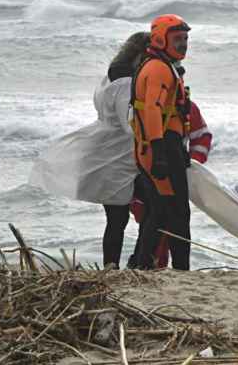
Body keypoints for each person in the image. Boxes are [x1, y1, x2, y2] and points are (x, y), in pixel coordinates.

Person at [29, 31, 149, 269]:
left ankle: (114, 266)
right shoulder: (126, 82)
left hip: (104, 150)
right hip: (119, 156)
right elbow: (129, 126)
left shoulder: (109, 77)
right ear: (142, 54)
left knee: (117, 218)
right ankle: (134, 263)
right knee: (147, 210)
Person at [130, 14, 193, 270]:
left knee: (161, 212)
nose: (184, 44)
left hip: (165, 145)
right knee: (175, 213)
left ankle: (142, 264)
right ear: (160, 39)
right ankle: (179, 270)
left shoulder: (163, 66)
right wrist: (160, 153)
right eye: (178, 39)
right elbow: (153, 110)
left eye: (186, 39)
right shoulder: (158, 69)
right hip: (160, 147)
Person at [130, 94, 213, 269]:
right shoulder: (142, 108)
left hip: (173, 173)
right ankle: (147, 265)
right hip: (144, 176)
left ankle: (166, 268)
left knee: (169, 223)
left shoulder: (187, 108)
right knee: (151, 222)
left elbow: (202, 137)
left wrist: (191, 163)